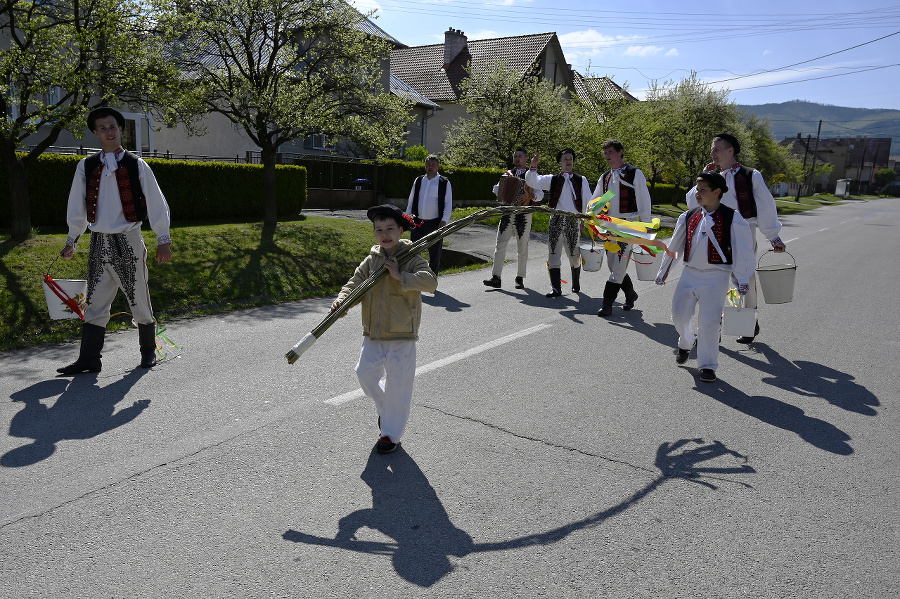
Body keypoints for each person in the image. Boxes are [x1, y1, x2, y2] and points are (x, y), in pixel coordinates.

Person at [57, 107, 172, 375]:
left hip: (128, 240)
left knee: (138, 298)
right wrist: (72, 240)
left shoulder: (136, 165)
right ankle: (89, 359)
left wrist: (163, 237)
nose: (109, 131)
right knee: (95, 302)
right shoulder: (86, 166)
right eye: (103, 128)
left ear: (121, 129)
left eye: (113, 127)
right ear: (96, 133)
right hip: (98, 242)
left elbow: (156, 201)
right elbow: (77, 205)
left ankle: (148, 352)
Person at [330, 204, 438, 454]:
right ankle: (384, 409)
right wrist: (342, 301)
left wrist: (401, 276)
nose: (385, 234)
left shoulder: (412, 257)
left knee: (398, 386)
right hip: (373, 333)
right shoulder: (371, 260)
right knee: (364, 374)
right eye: (379, 229)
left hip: (402, 335)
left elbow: (430, 282)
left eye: (390, 228)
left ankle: (390, 435)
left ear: (401, 230)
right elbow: (353, 284)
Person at [686, 132, 786, 343]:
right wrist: (703, 178)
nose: (712, 153)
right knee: (717, 278)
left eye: (717, 149)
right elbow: (693, 204)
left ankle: (748, 322)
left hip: (743, 232)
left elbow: (766, 205)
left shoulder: (751, 175)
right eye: (712, 150)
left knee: (744, 276)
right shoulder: (713, 177)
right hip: (715, 232)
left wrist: (773, 236)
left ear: (730, 150)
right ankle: (717, 325)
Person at [656, 172, 755, 383]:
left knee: (709, 322)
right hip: (689, 274)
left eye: (703, 190)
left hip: (716, 277)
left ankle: (708, 366)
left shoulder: (732, 217)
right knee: (678, 315)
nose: (697, 194)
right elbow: (674, 245)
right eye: (697, 189)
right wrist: (664, 270)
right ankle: (686, 341)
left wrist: (741, 278)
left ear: (717, 192)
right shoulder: (689, 215)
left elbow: (743, 250)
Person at [593, 139, 653, 317]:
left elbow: (644, 199)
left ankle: (607, 304)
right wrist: (589, 215)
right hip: (610, 225)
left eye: (610, 152)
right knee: (613, 266)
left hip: (628, 225)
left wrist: (647, 223)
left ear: (620, 152)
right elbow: (597, 201)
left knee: (618, 267)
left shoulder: (635, 173)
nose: (607, 156)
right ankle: (630, 294)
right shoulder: (605, 177)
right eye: (605, 153)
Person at [525, 148, 592, 297]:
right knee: (553, 254)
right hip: (555, 220)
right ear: (560, 163)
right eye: (565, 159)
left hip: (573, 221)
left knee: (574, 255)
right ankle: (556, 288)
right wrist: (533, 166)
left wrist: (585, 221)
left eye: (571, 159)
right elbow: (532, 181)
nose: (569, 161)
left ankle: (575, 282)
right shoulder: (552, 179)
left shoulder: (581, 180)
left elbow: (588, 201)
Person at [483, 147, 541, 290]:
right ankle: (496, 277)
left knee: (522, 248)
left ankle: (520, 277)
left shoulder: (532, 175)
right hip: (507, 214)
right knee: (500, 246)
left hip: (524, 215)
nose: (517, 158)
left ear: (526, 158)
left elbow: (540, 194)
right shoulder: (508, 174)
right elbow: (496, 189)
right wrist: (501, 193)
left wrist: (530, 196)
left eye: (520, 156)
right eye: (515, 156)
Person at [405, 155, 452, 276]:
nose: (430, 167)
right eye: (428, 164)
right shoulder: (419, 180)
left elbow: (448, 204)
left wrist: (444, 220)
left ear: (438, 166)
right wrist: (408, 218)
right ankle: (415, 277)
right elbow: (411, 201)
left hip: (435, 223)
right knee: (414, 251)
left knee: (435, 253)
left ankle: (432, 279)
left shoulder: (444, 182)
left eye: (433, 164)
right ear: (425, 166)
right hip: (417, 222)